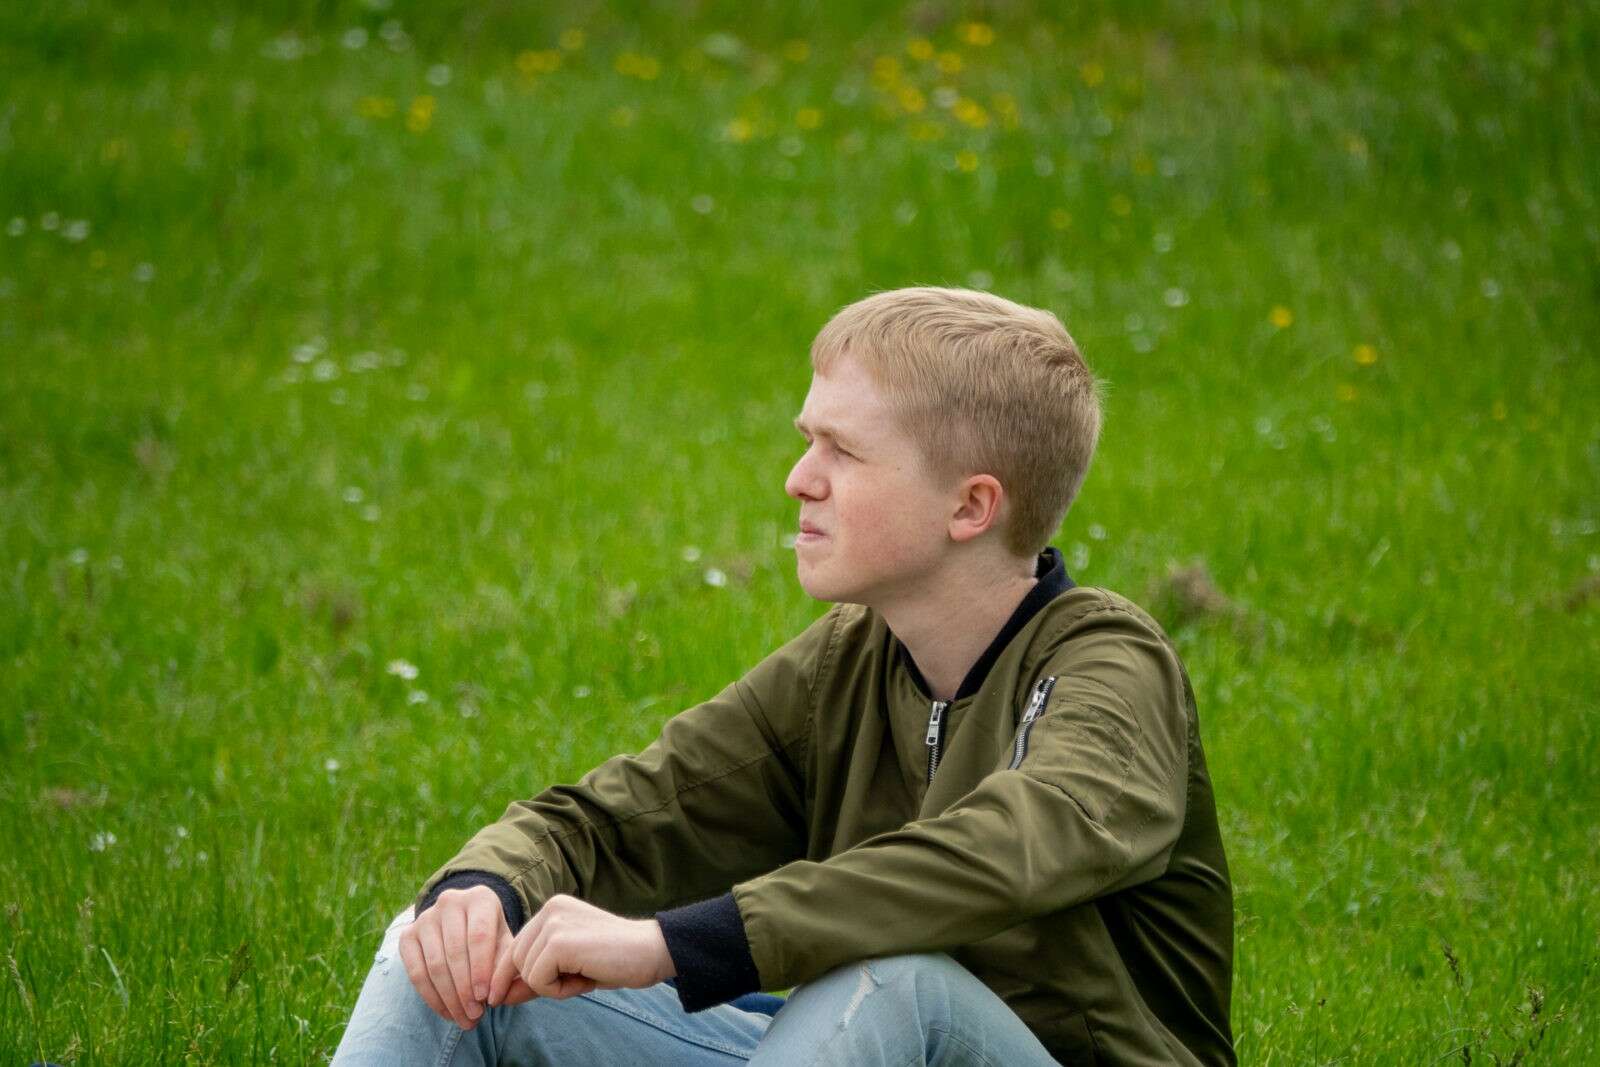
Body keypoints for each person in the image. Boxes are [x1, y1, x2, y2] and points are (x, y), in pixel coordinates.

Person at [331, 286, 1235, 1065]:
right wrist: (483, 888)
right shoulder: (847, 660)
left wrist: (677, 944)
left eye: (844, 451)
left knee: (895, 980)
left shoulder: (1111, 666)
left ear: (971, 505)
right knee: (445, 958)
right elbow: (625, 817)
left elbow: (1001, 852)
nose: (800, 478)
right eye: (809, 441)